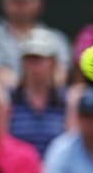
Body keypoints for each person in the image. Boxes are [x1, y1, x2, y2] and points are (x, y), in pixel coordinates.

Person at [8, 28, 68, 156]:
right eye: (29, 59)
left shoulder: (67, 100)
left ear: (53, 62)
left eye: (39, 59)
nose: (34, 65)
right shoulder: (8, 99)